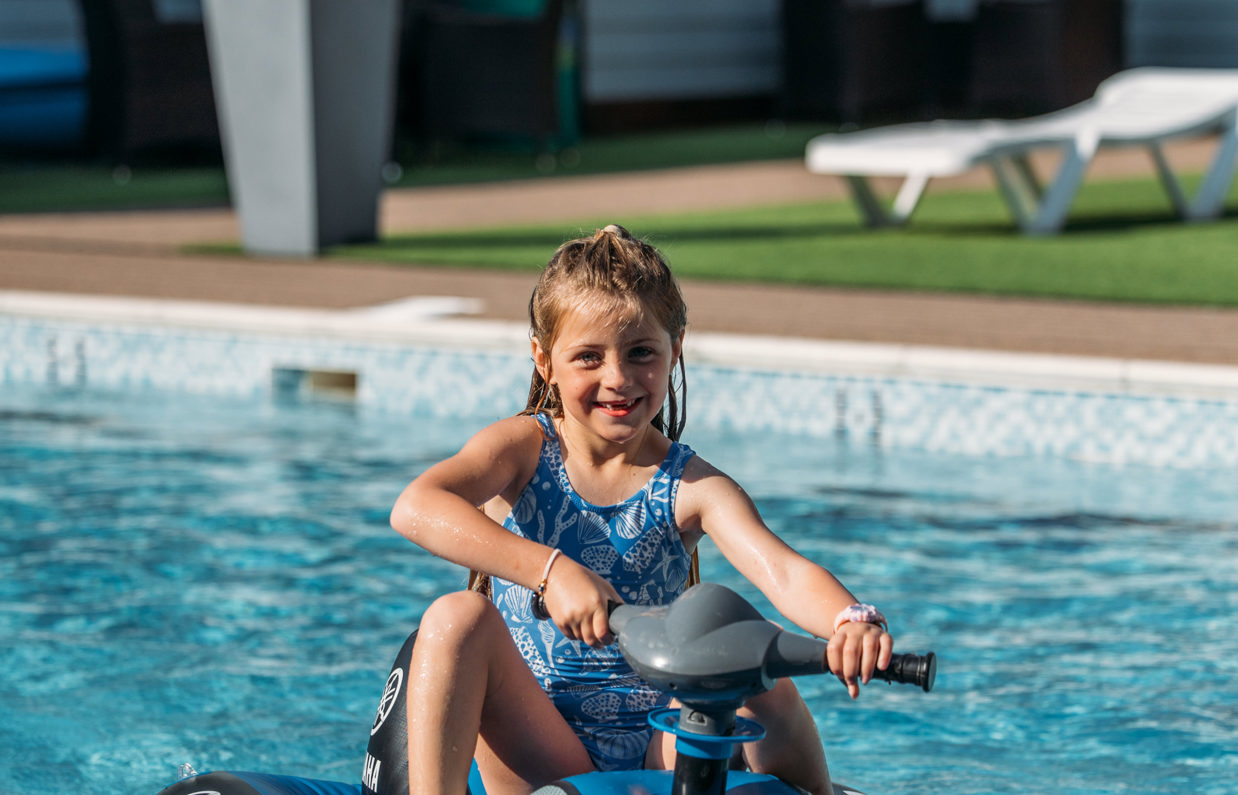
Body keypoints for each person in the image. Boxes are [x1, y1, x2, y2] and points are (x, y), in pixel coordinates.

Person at [389, 225, 893, 795]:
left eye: (641, 353)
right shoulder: (524, 450)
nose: (618, 379)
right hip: (537, 747)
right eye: (588, 357)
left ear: (675, 350)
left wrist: (854, 621)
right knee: (457, 618)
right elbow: (416, 507)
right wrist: (549, 570)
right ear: (544, 359)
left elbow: (783, 569)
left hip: (662, 747)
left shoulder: (692, 486)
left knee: (751, 649)